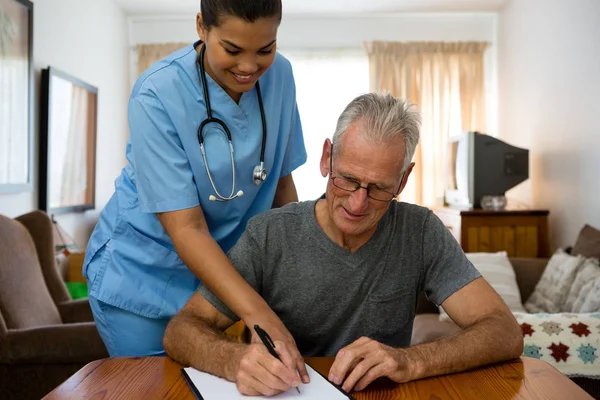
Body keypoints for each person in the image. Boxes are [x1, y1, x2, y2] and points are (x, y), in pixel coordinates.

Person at [162, 92, 524, 396]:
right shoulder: (269, 234)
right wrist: (233, 359)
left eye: (379, 188)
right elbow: (183, 330)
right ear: (326, 157)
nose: (357, 204)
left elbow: (504, 331)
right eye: (347, 180)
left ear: (403, 179)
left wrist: (411, 360)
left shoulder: (421, 231)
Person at [82, 0, 309, 380]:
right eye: (232, 50)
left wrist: (297, 273)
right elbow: (186, 227)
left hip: (219, 284)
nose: (249, 67)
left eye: (265, 49)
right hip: (142, 277)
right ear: (202, 27)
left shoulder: (281, 76)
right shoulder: (157, 93)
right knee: (160, 388)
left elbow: (281, 184)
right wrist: (258, 314)